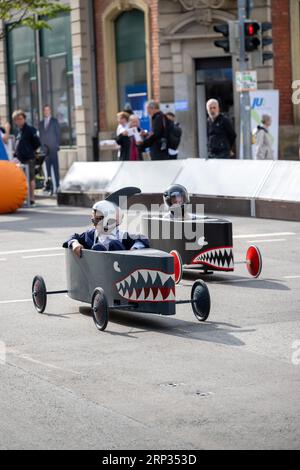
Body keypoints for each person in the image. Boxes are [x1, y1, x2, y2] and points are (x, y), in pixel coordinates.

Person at [63, 199, 150, 257]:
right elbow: (72, 237)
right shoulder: (91, 235)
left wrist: (134, 249)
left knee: (114, 244)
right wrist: (74, 243)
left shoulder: (122, 236)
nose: (94, 224)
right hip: (98, 275)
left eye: (98, 220)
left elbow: (142, 238)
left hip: (119, 273)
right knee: (98, 248)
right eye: (94, 220)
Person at [13, 110, 41, 205]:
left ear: (24, 119)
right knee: (23, 180)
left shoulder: (30, 129)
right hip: (20, 159)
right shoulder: (18, 131)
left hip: (29, 158)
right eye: (17, 119)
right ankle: (25, 198)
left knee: (30, 179)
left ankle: (31, 198)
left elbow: (37, 143)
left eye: (21, 119)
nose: (19, 121)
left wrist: (29, 151)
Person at [39, 105, 61, 193]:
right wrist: (42, 148)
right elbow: (40, 137)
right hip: (45, 151)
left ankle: (58, 186)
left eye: (48, 110)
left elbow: (58, 134)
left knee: (55, 168)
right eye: (45, 110)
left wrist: (57, 146)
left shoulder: (55, 121)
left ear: (50, 111)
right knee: (47, 170)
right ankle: (50, 187)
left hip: (53, 149)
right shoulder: (41, 123)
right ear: (43, 112)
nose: (46, 112)